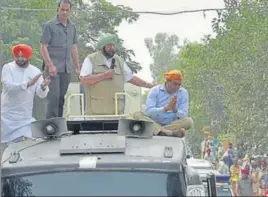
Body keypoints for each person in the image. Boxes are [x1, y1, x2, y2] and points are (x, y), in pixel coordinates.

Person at [79, 33, 156, 115]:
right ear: (102, 47)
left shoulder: (119, 61)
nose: (111, 48)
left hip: (116, 113)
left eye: (113, 45)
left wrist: (149, 85)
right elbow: (84, 80)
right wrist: (104, 76)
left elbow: (131, 78)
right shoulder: (91, 59)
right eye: (109, 45)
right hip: (95, 114)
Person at [1, 44, 51, 144]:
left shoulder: (35, 71)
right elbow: (8, 87)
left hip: (25, 117)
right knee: (10, 147)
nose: (20, 59)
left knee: (29, 142)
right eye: (17, 56)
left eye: (23, 56)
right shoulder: (8, 68)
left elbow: (41, 94)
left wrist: (43, 86)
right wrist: (28, 84)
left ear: (29, 57)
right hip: (8, 116)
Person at [40, 0, 80, 119]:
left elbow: (74, 47)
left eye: (67, 10)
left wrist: (77, 67)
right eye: (62, 9)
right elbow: (43, 47)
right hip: (52, 68)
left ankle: (58, 125)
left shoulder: (72, 27)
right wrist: (50, 65)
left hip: (66, 68)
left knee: (61, 98)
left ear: (70, 11)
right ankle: (50, 127)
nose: (64, 12)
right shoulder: (50, 25)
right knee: (53, 97)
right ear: (58, 9)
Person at [133, 70, 193, 137]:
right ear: (168, 81)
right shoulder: (155, 90)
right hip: (154, 122)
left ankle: (159, 131)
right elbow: (149, 112)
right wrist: (165, 108)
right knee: (137, 115)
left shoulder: (183, 93)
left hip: (172, 124)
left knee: (189, 121)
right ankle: (169, 133)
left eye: (179, 84)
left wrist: (175, 110)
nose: (177, 87)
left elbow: (184, 114)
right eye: (175, 84)